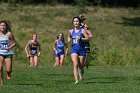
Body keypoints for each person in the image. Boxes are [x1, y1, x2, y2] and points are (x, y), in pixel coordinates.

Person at [68, 16, 89, 84]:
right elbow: (69, 37)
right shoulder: (70, 31)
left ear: (79, 22)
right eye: (74, 21)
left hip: (82, 50)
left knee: (81, 65)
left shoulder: (82, 30)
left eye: (77, 21)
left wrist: (81, 38)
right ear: (73, 22)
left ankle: (81, 69)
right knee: (75, 64)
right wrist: (69, 39)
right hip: (74, 50)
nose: (76, 22)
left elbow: (88, 38)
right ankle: (76, 80)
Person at [0, 21, 16, 85]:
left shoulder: (9, 34)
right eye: (1, 25)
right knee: (0, 67)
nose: (2, 27)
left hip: (8, 53)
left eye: (4, 25)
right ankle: (1, 82)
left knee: (8, 69)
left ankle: (9, 73)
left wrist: (9, 47)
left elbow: (14, 43)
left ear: (6, 27)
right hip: (0, 53)